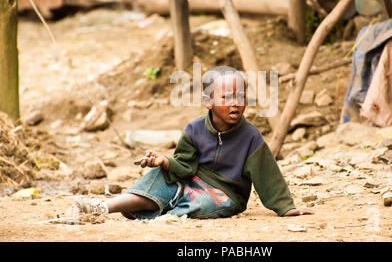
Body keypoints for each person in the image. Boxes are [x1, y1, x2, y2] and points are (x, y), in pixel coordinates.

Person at [76, 66, 313, 219]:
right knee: (158, 177)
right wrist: (165, 162)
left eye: (240, 96)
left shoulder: (250, 137)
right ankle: (102, 207)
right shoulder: (194, 129)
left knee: (203, 202)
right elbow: (185, 167)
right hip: (190, 179)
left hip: (224, 194)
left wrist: (286, 207)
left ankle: (155, 213)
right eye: (227, 97)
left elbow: (268, 175)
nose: (236, 103)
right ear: (208, 102)